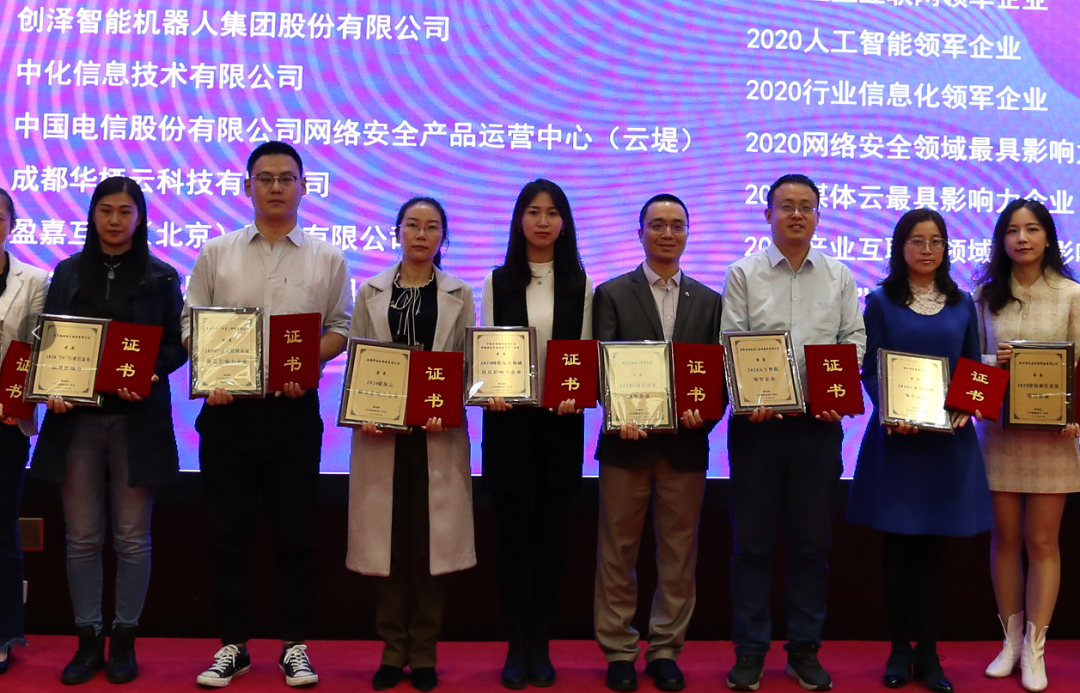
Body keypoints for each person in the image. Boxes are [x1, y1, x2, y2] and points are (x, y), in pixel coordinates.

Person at [183, 142, 352, 688]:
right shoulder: (217, 253)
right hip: (227, 415)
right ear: (247, 187)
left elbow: (341, 328)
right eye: (265, 178)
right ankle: (232, 645)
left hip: (292, 414)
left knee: (295, 535)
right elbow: (190, 324)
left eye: (286, 178)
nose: (276, 187)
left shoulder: (327, 258)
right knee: (227, 535)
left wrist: (306, 362)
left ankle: (294, 646)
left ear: (303, 187)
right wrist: (214, 374)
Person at [29, 177, 186, 685]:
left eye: (125, 211)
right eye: (105, 210)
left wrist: (152, 372)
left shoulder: (161, 276)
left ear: (140, 218)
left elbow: (177, 344)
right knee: (81, 537)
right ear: (92, 215)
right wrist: (51, 385)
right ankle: (88, 638)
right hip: (76, 421)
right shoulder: (68, 272)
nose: (115, 220)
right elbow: (51, 339)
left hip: (136, 423)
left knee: (132, 538)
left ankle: (124, 639)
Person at [721, 173, 865, 692]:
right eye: (787, 206)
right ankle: (750, 652)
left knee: (811, 546)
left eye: (806, 206)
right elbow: (731, 340)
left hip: (817, 430)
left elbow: (854, 339)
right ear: (768, 215)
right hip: (758, 429)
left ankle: (804, 649)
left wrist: (836, 392)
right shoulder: (743, 273)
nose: (797, 214)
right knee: (752, 546)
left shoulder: (838, 275)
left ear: (819, 216)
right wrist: (752, 396)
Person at [846, 209, 993, 693]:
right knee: (897, 548)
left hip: (947, 444)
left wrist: (968, 404)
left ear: (946, 248)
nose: (927, 249)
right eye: (916, 240)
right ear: (900, 247)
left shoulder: (962, 302)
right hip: (899, 441)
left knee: (932, 552)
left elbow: (973, 365)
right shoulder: (880, 301)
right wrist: (891, 408)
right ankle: (897, 650)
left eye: (936, 241)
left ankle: (928, 654)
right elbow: (869, 368)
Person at [592, 193, 722, 693]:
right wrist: (619, 411)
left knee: (678, 555)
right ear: (640, 232)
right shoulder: (612, 293)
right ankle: (619, 650)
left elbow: (717, 374)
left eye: (677, 225)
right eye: (658, 224)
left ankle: (666, 649)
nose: (668, 233)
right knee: (616, 553)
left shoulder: (709, 301)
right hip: (626, 444)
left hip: (685, 447)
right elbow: (602, 366)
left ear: (688, 233)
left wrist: (705, 414)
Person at [347, 197, 475, 693]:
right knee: (389, 546)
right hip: (384, 437)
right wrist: (365, 409)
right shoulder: (371, 291)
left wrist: (452, 403)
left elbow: (466, 363)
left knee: (429, 546)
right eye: (413, 225)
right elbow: (359, 359)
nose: (421, 235)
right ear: (397, 231)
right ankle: (391, 648)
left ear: (443, 237)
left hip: (436, 436)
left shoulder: (459, 293)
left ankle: (423, 650)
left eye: (432, 227)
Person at [480, 179, 593, 689]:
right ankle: (515, 641)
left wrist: (577, 392)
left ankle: (541, 641)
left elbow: (584, 351)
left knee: (550, 537)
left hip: (561, 424)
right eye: (533, 211)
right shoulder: (498, 280)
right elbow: (488, 348)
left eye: (551, 212)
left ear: (564, 223)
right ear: (519, 221)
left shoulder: (581, 283)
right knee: (511, 537)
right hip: (509, 423)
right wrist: (491, 389)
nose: (542, 221)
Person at [974, 199, 1080, 693]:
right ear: (1001, 240)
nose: (1022, 238)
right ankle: (1010, 643)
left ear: (1048, 237)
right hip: (999, 435)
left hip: (1052, 440)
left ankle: (1036, 649)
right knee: (1005, 539)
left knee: (1042, 542)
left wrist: (1076, 415)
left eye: (1032, 229)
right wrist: (993, 361)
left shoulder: (1072, 294)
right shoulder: (985, 296)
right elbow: (971, 362)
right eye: (1013, 230)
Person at [0, 189, 48, 676]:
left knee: (1, 529)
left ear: (12, 225)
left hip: (5, 422)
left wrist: (13, 401)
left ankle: (2, 634)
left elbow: (38, 352)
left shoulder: (34, 281)